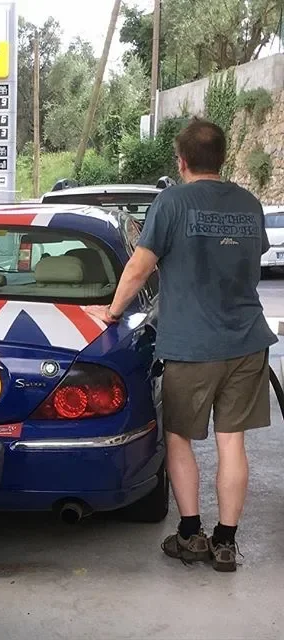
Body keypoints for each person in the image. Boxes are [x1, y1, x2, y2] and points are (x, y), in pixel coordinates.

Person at [86, 117, 277, 572]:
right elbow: (253, 259)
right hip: (247, 343)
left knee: (178, 439)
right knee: (233, 443)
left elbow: (139, 268)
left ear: (182, 160)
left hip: (191, 346)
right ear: (222, 158)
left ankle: (190, 534)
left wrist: (111, 312)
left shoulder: (171, 202)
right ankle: (226, 543)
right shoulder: (250, 204)